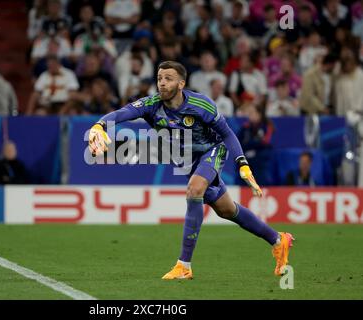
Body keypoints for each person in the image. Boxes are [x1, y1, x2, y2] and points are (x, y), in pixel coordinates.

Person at [88, 61, 294, 279]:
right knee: (226, 209)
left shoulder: (201, 104)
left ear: (181, 83)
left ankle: (184, 266)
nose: (162, 83)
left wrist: (242, 163)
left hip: (213, 151)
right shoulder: (151, 104)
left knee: (194, 190)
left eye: (168, 78)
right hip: (186, 161)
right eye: (159, 78)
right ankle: (279, 240)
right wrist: (99, 125)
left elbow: (227, 134)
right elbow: (122, 113)